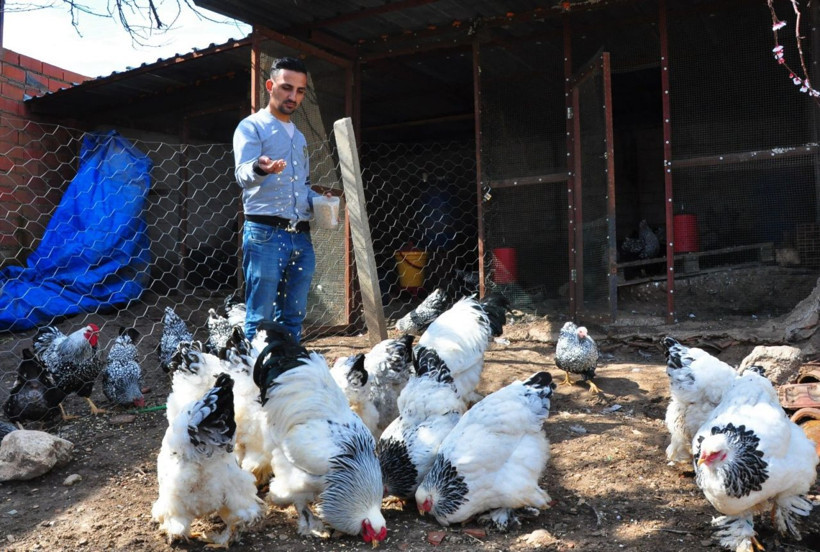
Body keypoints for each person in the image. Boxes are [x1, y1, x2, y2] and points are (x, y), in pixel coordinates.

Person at [233, 57, 318, 343]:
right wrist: (261, 167)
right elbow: (243, 174)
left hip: (301, 237)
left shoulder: (301, 137)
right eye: (286, 88)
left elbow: (302, 186)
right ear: (270, 86)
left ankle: (287, 374)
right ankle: (251, 384)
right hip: (265, 235)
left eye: (300, 91)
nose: (293, 96)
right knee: (260, 319)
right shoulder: (251, 127)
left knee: (293, 317)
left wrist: (319, 198)